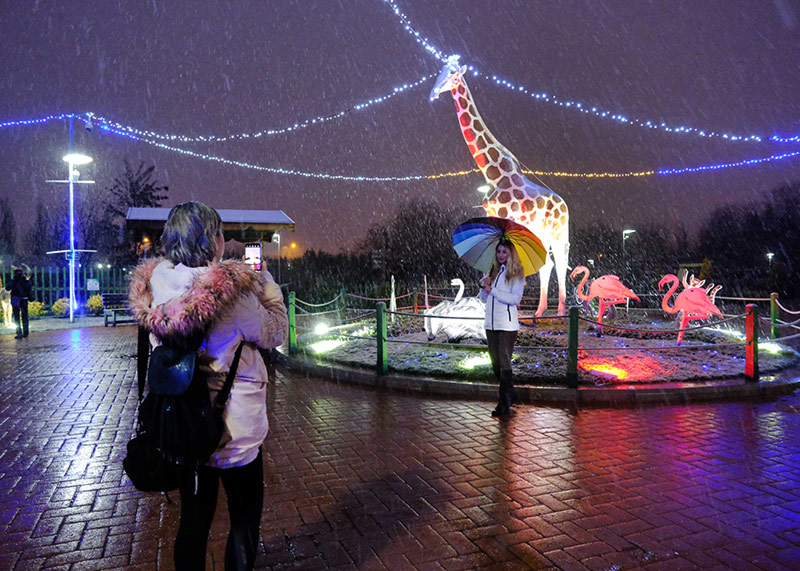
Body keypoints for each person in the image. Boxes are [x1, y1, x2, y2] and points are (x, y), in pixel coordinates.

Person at [128, 201, 288, 570]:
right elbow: (275, 332)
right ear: (209, 240)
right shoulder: (233, 294)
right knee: (243, 520)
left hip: (184, 426)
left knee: (194, 523)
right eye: (218, 232)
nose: (222, 239)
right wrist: (266, 287)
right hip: (236, 431)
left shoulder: (156, 290)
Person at [479, 239, 525, 417]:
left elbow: (515, 299)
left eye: (504, 252)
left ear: (510, 254)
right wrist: (484, 286)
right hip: (490, 324)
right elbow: (484, 299)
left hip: (506, 325)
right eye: (498, 251)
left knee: (504, 364)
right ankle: (511, 394)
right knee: (496, 365)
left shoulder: (517, 274)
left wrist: (493, 290)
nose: (500, 255)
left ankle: (503, 405)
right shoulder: (494, 272)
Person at [9, 266, 33, 339]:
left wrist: (13, 281)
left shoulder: (14, 281)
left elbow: (7, 288)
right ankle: (26, 332)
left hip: (15, 299)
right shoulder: (26, 281)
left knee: (16, 316)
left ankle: (19, 332)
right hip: (24, 299)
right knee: (25, 316)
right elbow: (29, 288)